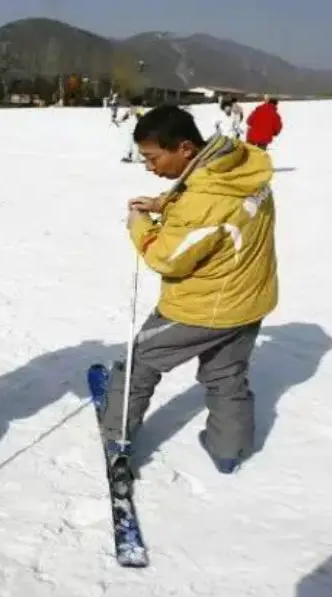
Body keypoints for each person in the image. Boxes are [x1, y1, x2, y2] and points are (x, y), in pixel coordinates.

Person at [101, 105, 278, 475]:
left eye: (152, 157)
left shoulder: (204, 201)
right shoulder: (242, 169)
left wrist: (140, 225)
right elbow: (213, 206)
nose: (149, 166)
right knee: (226, 374)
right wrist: (164, 203)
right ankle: (229, 450)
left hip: (202, 309)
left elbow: (168, 258)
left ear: (184, 148)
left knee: (140, 363)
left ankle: (115, 436)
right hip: (249, 300)